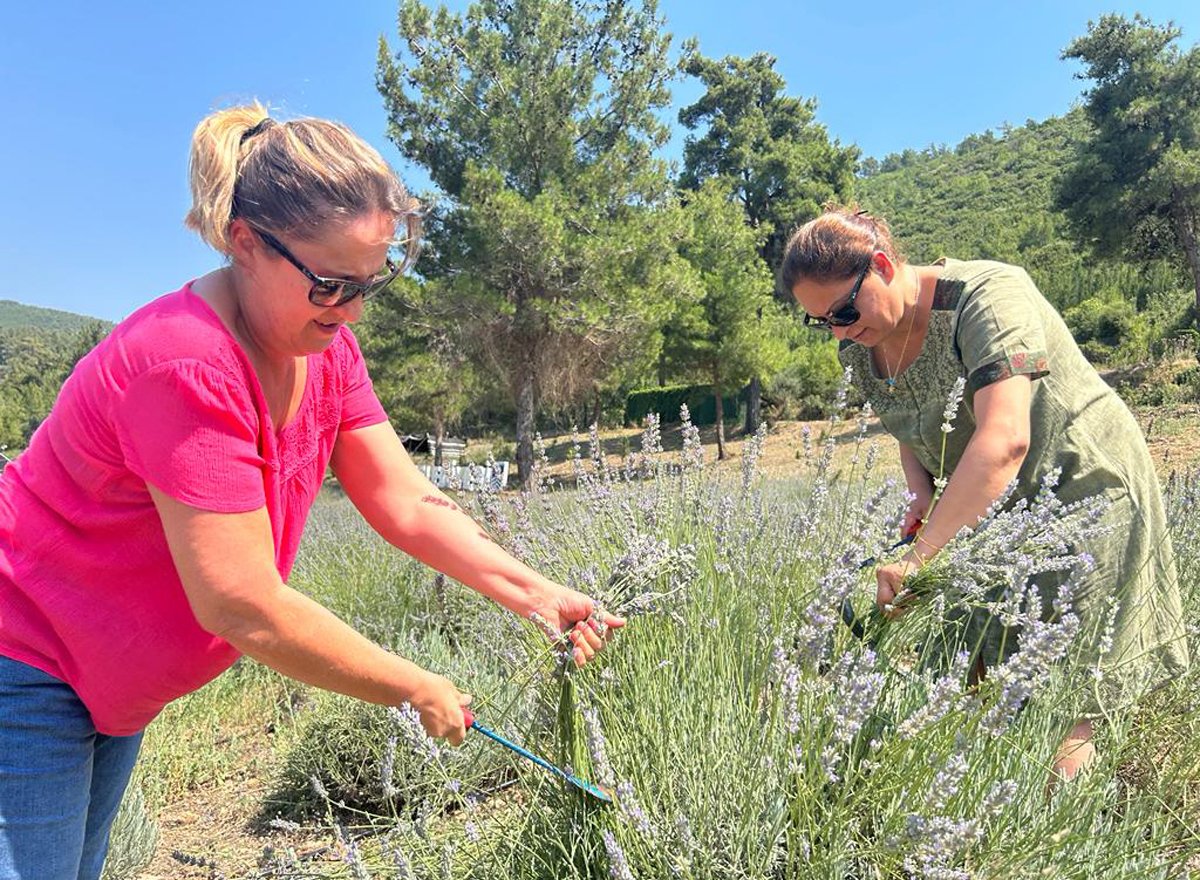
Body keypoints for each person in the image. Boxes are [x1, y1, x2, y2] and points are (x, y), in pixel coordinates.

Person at [0, 104, 622, 880]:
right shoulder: (186, 365)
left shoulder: (324, 347)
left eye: (371, 282)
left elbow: (403, 499)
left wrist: (537, 594)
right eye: (330, 284)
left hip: (103, 683)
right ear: (246, 243)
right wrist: (411, 686)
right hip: (25, 660)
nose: (352, 310)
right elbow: (242, 605)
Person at [780, 206, 1190, 782]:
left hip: (1080, 487)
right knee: (974, 664)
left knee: (1062, 687)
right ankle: (982, 799)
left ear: (882, 266)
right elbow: (908, 420)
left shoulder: (988, 296)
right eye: (820, 321)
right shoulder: (860, 342)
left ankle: (1060, 814)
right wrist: (920, 492)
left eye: (844, 311)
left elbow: (1004, 439)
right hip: (985, 509)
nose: (840, 331)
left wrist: (919, 559)